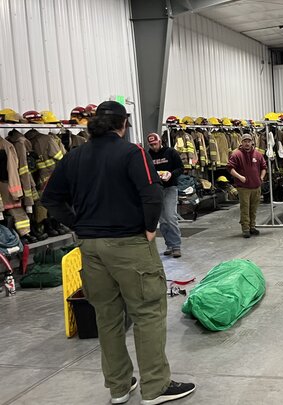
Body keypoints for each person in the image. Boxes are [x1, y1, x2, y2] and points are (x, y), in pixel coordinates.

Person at [41, 101, 195, 405]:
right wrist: (150, 229)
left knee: (107, 317)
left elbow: (51, 200)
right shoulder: (132, 152)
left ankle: (119, 387)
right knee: (147, 312)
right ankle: (155, 387)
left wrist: (79, 225)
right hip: (129, 244)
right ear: (123, 124)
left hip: (90, 247)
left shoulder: (74, 156)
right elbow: (151, 194)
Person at [146, 133, 184, 258]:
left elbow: (180, 168)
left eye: (155, 144)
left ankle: (176, 245)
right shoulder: (148, 155)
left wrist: (171, 174)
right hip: (156, 190)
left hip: (170, 188)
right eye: (151, 145)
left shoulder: (171, 152)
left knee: (170, 216)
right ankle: (169, 244)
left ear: (160, 141)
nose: (153, 147)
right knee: (162, 219)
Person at [228, 133, 267, 238]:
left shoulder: (258, 154)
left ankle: (252, 227)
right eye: (245, 141)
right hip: (243, 187)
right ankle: (245, 229)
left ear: (252, 142)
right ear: (241, 142)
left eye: (249, 141)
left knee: (253, 209)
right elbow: (230, 168)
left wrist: (262, 177)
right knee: (245, 208)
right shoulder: (236, 154)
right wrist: (240, 177)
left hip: (256, 187)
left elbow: (264, 167)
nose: (247, 143)